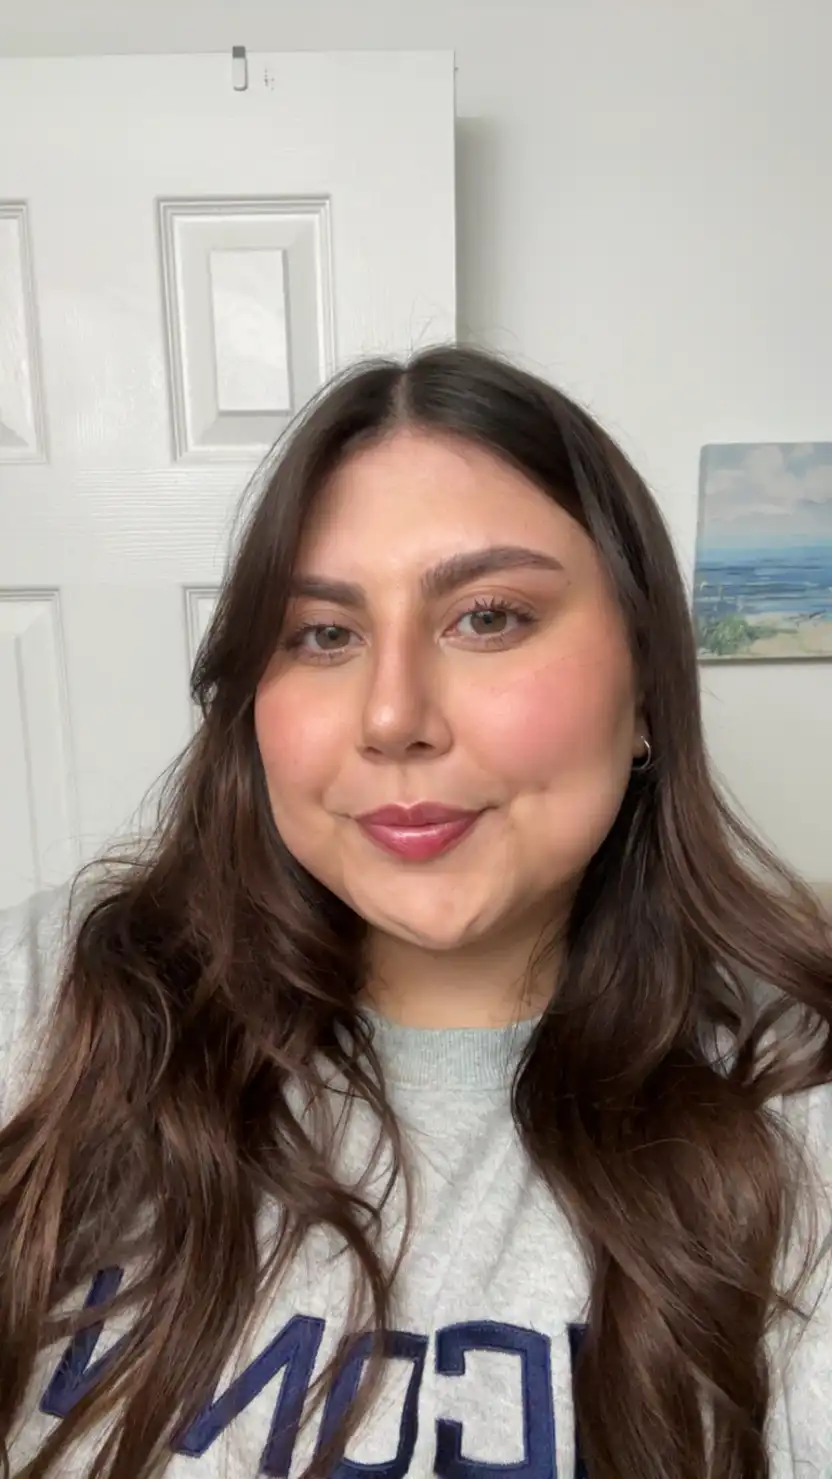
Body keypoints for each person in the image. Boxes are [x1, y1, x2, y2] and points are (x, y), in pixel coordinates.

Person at [0, 346, 830, 1479]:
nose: (392, 716)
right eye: (323, 634)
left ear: (644, 684)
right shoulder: (53, 998)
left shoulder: (790, 1094)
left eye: (487, 617)